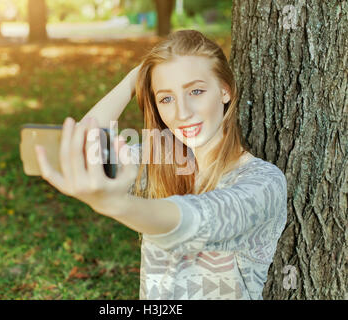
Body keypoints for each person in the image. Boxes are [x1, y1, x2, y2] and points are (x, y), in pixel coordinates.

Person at [34, 29, 288, 300]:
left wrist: (116, 205)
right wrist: (134, 79)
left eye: (196, 91)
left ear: (225, 91)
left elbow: (198, 220)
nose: (182, 113)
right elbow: (79, 151)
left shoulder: (263, 182)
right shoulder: (159, 161)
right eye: (166, 98)